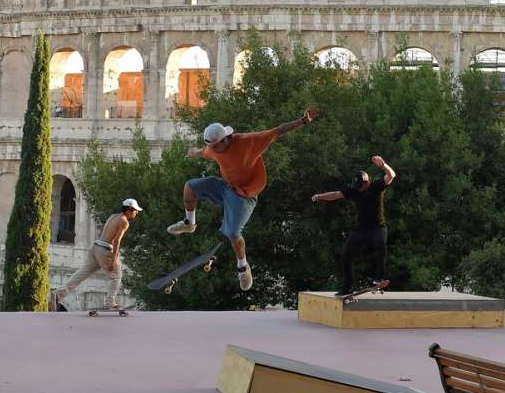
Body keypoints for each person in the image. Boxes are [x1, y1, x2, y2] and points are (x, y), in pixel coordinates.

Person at [167, 107, 320, 291]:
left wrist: (302, 121)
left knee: (233, 233)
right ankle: (189, 223)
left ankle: (242, 267)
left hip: (243, 195)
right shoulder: (213, 148)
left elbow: (277, 131)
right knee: (190, 187)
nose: (214, 150)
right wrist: (193, 153)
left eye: (216, 146)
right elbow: (204, 151)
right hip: (225, 187)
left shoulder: (249, 141)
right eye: (212, 147)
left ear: (226, 139)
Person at [311, 155, 396, 296]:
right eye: (358, 187)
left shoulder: (377, 186)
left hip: (378, 227)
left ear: (367, 182)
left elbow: (391, 175)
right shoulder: (354, 190)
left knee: (380, 246)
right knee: (346, 254)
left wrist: (383, 165)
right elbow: (336, 195)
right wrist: (320, 196)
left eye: (361, 186)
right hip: (361, 229)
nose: (360, 189)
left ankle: (378, 278)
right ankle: (347, 287)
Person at [51, 198, 142, 311]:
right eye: (135, 210)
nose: (136, 213)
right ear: (129, 210)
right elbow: (116, 241)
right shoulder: (124, 222)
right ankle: (110, 303)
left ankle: (58, 294)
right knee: (117, 277)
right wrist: (113, 260)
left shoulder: (113, 216)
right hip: (104, 250)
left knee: (83, 273)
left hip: (95, 247)